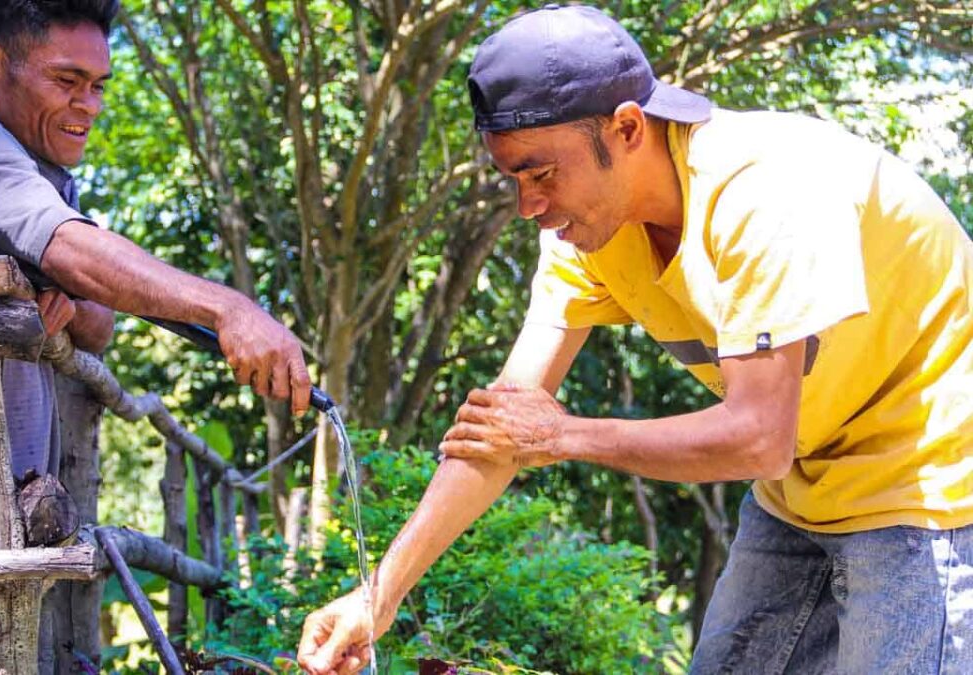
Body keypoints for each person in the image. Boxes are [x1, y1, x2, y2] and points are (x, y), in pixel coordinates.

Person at [298, 5, 973, 674]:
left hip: (933, 477)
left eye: (542, 174)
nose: (527, 206)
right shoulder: (585, 232)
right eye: (513, 180)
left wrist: (563, 436)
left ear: (626, 128)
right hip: (803, 487)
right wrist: (377, 596)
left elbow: (758, 437)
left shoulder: (762, 192)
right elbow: (501, 431)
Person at [0, 1, 312, 670]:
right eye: (67, 81)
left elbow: (99, 322)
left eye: (98, 85)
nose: (87, 105)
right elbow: (69, 245)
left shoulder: (41, 169)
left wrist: (55, 292)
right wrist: (228, 308)